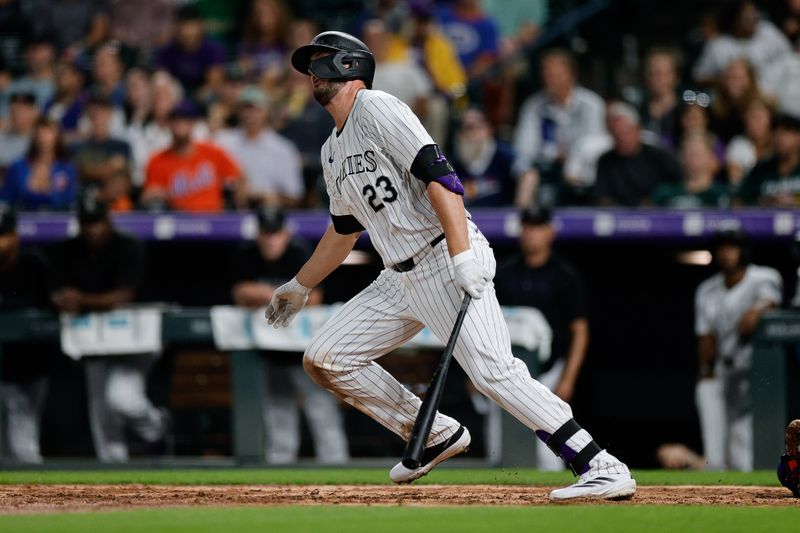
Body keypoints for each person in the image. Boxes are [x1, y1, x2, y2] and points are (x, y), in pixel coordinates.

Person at [267, 30, 635, 500]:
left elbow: (440, 176)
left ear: (348, 66)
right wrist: (299, 284)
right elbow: (343, 232)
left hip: (444, 252)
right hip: (398, 277)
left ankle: (600, 464)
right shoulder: (330, 149)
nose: (311, 72)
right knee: (326, 358)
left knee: (493, 372)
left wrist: (462, 254)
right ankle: (434, 432)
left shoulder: (377, 107)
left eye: (320, 60)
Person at [50, 193, 169, 463]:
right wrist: (60, 299)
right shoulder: (67, 250)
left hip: (134, 338)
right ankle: (112, 476)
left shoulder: (128, 246)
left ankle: (157, 427)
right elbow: (55, 292)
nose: (92, 229)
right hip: (94, 339)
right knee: (101, 412)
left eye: (97, 222)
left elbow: (123, 296)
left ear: (108, 220)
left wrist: (80, 300)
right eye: (86, 223)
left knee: (121, 397)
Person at [231, 207, 349, 464]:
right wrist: (280, 294)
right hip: (270, 348)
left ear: (285, 233)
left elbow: (315, 298)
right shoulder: (247, 254)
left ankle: (335, 462)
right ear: (258, 234)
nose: (270, 239)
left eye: (275, 233)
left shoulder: (299, 252)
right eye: (265, 233)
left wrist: (266, 295)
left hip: (303, 347)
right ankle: (280, 464)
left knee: (320, 406)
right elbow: (240, 292)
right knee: (277, 407)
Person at [494, 206, 589, 471]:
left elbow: (579, 330)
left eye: (538, 227)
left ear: (550, 232)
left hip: (549, 370)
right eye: (527, 227)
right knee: (502, 445)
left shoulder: (564, 274)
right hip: (507, 371)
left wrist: (568, 378)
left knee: (550, 448)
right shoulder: (505, 272)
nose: (531, 233)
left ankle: (550, 505)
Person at [694, 229, 782, 471]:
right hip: (724, 370)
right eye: (722, 248)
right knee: (716, 456)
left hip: (752, 374)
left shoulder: (763, 277)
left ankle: (739, 495)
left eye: (732, 247)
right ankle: (715, 492)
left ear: (743, 250)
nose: (726, 254)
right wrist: (706, 370)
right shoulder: (707, 289)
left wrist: (757, 310)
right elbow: (705, 336)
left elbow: (770, 300)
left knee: (741, 454)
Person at [513, 49, 605, 207]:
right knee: (528, 176)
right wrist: (552, 156)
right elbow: (523, 151)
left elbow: (595, 146)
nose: (548, 80)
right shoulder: (534, 106)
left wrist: (570, 160)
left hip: (583, 174)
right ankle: (524, 226)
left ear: (570, 75)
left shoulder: (591, 104)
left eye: (554, 75)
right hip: (546, 171)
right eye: (546, 74)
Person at [0, 204, 53, 464]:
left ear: (15, 235)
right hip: (4, 365)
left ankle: (31, 494)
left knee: (22, 439)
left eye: (3, 234)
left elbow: (50, 306)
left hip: (30, 364)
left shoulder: (33, 263)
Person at [143, 100, 245, 212]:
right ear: (169, 124)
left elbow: (240, 177)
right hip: (177, 221)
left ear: (193, 124)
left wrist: (238, 208)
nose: (180, 125)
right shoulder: (157, 160)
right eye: (175, 120)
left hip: (213, 220)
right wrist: (160, 194)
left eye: (185, 120)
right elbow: (149, 195)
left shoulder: (213, 152)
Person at [214, 86, 303, 208]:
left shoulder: (282, 148)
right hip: (230, 209)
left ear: (266, 112)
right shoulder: (222, 141)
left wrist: (270, 196)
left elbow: (295, 196)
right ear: (238, 111)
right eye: (246, 109)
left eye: (256, 109)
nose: (250, 114)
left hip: (269, 213)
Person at [594, 102, 683, 207]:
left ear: (637, 130)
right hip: (620, 215)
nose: (622, 138)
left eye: (626, 133)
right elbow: (602, 197)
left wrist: (657, 199)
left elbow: (680, 185)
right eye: (617, 134)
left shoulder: (658, 156)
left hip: (659, 213)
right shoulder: (606, 161)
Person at [693, 1, 792, 85]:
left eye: (755, 15)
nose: (753, 20)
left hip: (772, 91)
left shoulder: (767, 31)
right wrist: (727, 80)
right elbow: (699, 76)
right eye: (747, 17)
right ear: (734, 20)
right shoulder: (718, 45)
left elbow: (790, 56)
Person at [71, 92, 133, 211]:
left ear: (110, 114)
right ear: (87, 114)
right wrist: (109, 167)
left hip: (113, 203)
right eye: (93, 111)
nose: (97, 114)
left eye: (102, 110)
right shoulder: (77, 147)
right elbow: (76, 172)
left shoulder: (121, 146)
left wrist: (88, 171)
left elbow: (124, 178)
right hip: (82, 202)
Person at [0, 117, 77, 210]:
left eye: (48, 133)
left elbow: (70, 201)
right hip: (22, 219)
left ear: (57, 137)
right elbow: (5, 199)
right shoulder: (17, 167)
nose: (43, 138)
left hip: (58, 220)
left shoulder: (67, 169)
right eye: (40, 133)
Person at [153, 4, 225, 99]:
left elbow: (214, 83)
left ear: (200, 25)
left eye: (191, 25)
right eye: (183, 26)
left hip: (202, 98)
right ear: (176, 27)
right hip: (174, 97)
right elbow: (161, 78)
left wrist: (199, 95)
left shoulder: (212, 49)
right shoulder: (167, 51)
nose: (187, 32)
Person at [450, 107, 515, 207]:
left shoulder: (504, 155)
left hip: (501, 217)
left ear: (489, 130)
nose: (474, 133)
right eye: (468, 128)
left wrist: (518, 213)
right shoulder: (453, 164)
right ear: (460, 134)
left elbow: (528, 175)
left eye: (479, 127)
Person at [736, 112, 800, 206]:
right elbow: (739, 201)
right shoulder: (761, 170)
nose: (779, 138)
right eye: (775, 133)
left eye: (786, 133)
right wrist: (766, 201)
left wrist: (795, 200)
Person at [651, 134, 729, 208]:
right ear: (681, 158)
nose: (693, 160)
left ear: (711, 158)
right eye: (688, 155)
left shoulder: (722, 194)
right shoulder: (665, 194)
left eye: (698, 155)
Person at [725, 95, 775, 187]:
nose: (755, 122)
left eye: (759, 117)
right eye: (751, 117)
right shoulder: (737, 144)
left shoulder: (778, 143)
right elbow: (735, 179)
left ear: (769, 120)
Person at [0, 92, 39, 170]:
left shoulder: (39, 140)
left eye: (20, 111)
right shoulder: (2, 137)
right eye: (13, 111)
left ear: (33, 112)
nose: (15, 115)